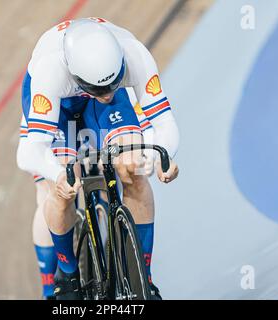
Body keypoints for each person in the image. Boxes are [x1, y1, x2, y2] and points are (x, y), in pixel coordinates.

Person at [17, 17, 179, 300]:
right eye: (99, 89)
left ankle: (145, 279)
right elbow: (29, 152)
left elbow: (164, 124)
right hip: (61, 107)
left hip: (102, 101)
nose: (106, 94)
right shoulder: (49, 71)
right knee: (55, 190)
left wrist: (162, 158)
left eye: (113, 83)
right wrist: (57, 175)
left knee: (132, 169)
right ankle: (65, 279)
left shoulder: (134, 54)